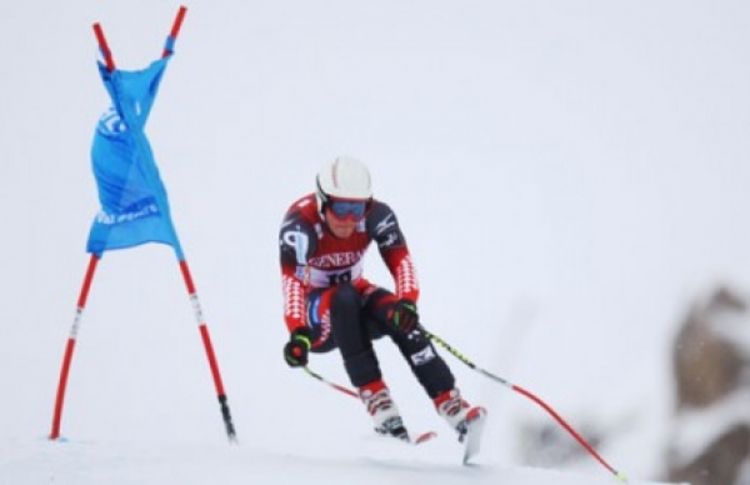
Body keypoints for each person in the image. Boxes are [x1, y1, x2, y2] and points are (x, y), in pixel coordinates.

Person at [279, 156, 486, 443]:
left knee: (396, 315)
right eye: (341, 208)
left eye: (357, 208)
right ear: (322, 201)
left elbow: (401, 262)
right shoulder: (300, 225)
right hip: (316, 319)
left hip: (354, 297)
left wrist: (408, 302)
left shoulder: (377, 215)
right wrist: (297, 333)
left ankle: (452, 407)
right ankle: (379, 404)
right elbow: (292, 283)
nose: (350, 219)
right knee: (345, 297)